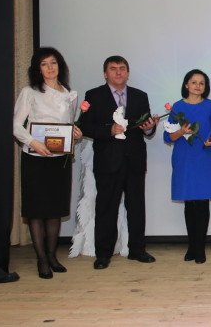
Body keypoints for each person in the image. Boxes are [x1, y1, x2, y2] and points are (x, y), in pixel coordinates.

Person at [80, 55, 160, 270]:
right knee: (106, 207)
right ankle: (103, 254)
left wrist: (149, 128)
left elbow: (146, 128)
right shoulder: (94, 95)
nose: (118, 72)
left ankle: (137, 249)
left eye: (122, 68)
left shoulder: (140, 96)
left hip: (134, 160)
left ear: (128, 73)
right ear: (105, 73)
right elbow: (85, 126)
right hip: (107, 161)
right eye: (113, 68)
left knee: (136, 207)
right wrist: (109, 130)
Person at [12, 47, 83, 278]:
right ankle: (41, 259)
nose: (50, 68)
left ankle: (52, 256)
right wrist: (33, 142)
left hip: (59, 160)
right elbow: (15, 125)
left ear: (60, 66)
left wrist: (75, 134)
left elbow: (67, 125)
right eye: (44, 64)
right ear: (38, 69)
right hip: (35, 159)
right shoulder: (29, 92)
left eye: (53, 63)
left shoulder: (69, 93)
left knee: (55, 209)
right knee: (36, 210)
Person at [163, 69, 211, 264]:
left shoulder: (210, 105)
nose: (198, 86)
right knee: (190, 204)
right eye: (194, 82)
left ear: (205, 87)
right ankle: (191, 246)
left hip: (205, 157)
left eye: (202, 83)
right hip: (185, 159)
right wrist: (181, 131)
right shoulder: (177, 107)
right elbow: (168, 136)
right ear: (186, 85)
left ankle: (200, 248)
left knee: (202, 203)